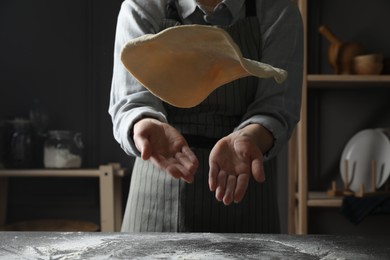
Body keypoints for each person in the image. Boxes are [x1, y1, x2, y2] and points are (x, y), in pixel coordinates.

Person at [109, 0, 303, 233]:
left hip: (243, 189)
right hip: (156, 195)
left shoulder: (278, 10)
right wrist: (142, 122)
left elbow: (277, 107)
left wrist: (250, 136)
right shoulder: (143, 6)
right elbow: (130, 101)